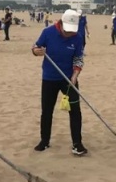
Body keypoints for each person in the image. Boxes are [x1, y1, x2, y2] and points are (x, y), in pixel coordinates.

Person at [32, 9, 87, 156]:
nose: (69, 34)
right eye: (67, 30)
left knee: (75, 111)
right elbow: (35, 47)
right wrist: (36, 51)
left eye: (72, 31)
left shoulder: (77, 37)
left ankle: (77, 143)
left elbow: (78, 58)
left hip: (69, 79)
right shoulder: (48, 32)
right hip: (49, 78)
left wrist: (75, 74)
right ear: (61, 23)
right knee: (47, 110)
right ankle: (44, 140)